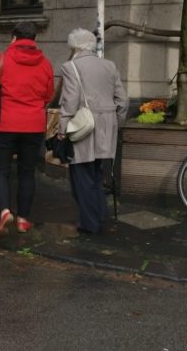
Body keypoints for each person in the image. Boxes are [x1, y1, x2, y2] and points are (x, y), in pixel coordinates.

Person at [0, 21, 54, 237]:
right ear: (34, 39)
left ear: (14, 38)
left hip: (5, 124)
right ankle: (22, 219)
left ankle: (4, 211)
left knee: (0, 170)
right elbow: (48, 95)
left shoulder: (1, 59)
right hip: (34, 125)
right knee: (27, 172)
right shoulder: (45, 64)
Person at [56, 28, 129, 234]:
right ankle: (100, 215)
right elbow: (122, 100)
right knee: (96, 173)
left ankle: (90, 223)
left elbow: (70, 102)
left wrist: (62, 129)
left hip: (84, 124)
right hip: (108, 124)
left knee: (81, 175)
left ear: (74, 46)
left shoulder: (71, 66)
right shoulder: (109, 65)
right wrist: (117, 123)